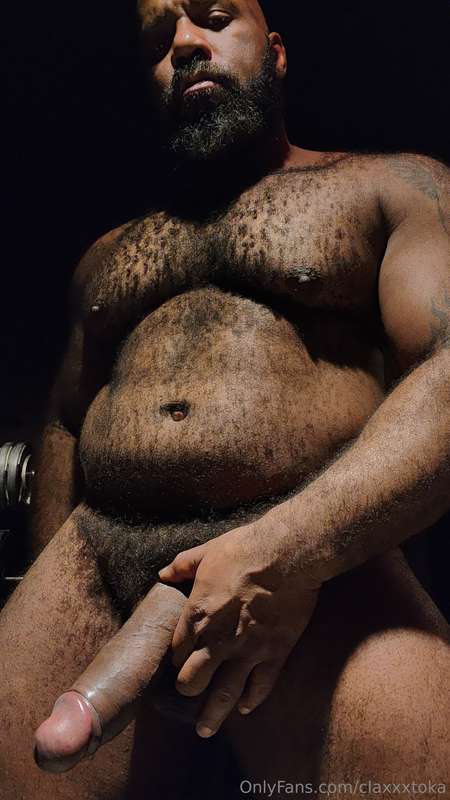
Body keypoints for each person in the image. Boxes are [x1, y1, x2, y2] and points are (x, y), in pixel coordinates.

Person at [1, 0, 449, 797]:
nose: (183, 43)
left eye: (214, 17)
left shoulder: (392, 186)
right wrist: (48, 583)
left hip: (320, 566)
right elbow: (67, 424)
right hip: (97, 561)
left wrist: (287, 552)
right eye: (158, 38)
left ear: (275, 50)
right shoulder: (109, 253)